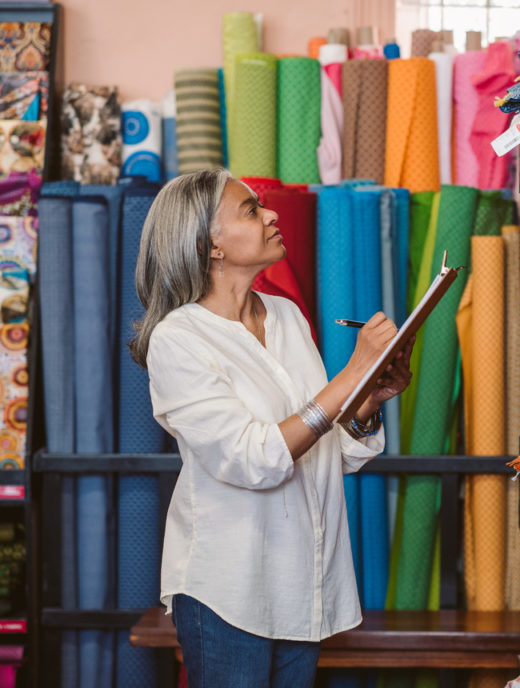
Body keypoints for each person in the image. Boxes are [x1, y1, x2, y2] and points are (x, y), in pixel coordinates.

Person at [129, 169, 413, 687]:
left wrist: (367, 401)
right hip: (228, 592)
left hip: (300, 582)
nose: (272, 214)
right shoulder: (179, 339)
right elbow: (252, 458)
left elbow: (328, 450)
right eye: (251, 210)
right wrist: (351, 374)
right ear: (210, 244)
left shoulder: (286, 316)